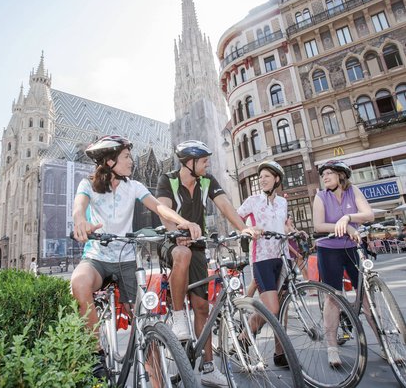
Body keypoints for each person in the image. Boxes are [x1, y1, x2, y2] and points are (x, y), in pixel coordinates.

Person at [71, 135, 201, 379]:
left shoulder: (134, 186)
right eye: (127, 157)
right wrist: (80, 221)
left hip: (128, 259)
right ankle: (95, 354)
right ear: (110, 161)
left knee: (145, 323)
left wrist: (183, 222)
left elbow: (160, 208)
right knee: (79, 282)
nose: (132, 161)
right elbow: (79, 207)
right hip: (97, 257)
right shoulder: (86, 185)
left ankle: (158, 381)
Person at [156, 140, 256, 387]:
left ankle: (209, 368)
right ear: (188, 163)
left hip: (198, 246)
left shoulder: (207, 180)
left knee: (202, 308)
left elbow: (224, 206)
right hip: (171, 242)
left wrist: (244, 229)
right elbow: (163, 212)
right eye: (203, 161)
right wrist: (176, 233)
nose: (207, 164)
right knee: (182, 253)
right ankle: (179, 317)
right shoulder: (168, 180)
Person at [312, 160, 375, 367]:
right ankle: (331, 348)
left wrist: (348, 217)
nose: (325, 177)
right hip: (328, 249)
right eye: (323, 175)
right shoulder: (321, 196)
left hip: (353, 247)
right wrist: (347, 228)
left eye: (329, 173)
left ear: (341, 175)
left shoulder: (353, 191)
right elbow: (319, 225)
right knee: (333, 298)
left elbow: (369, 214)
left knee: (366, 295)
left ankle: (384, 341)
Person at [236, 160, 290, 367]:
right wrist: (248, 229)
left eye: (267, 176)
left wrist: (294, 232)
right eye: (260, 177)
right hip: (262, 258)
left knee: (281, 308)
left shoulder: (283, 202)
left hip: (282, 257)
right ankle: (243, 337)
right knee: (272, 308)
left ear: (276, 179)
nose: (262, 180)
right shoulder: (252, 201)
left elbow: (283, 227)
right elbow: (236, 218)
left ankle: (280, 352)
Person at [285, 214, 309, 280]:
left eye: (292, 219)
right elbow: (286, 244)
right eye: (290, 219)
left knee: (304, 270)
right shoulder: (285, 228)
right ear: (286, 219)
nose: (292, 220)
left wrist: (303, 232)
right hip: (290, 252)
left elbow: (296, 233)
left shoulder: (292, 226)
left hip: (296, 249)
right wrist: (296, 253)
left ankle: (310, 289)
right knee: (287, 273)